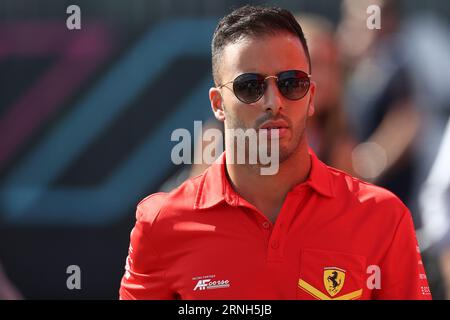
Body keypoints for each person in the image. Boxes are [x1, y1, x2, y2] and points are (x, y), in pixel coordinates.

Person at [119, 5, 431, 300]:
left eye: (291, 83)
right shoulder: (161, 222)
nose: (274, 101)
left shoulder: (384, 217)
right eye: (250, 86)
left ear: (311, 96)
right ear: (217, 104)